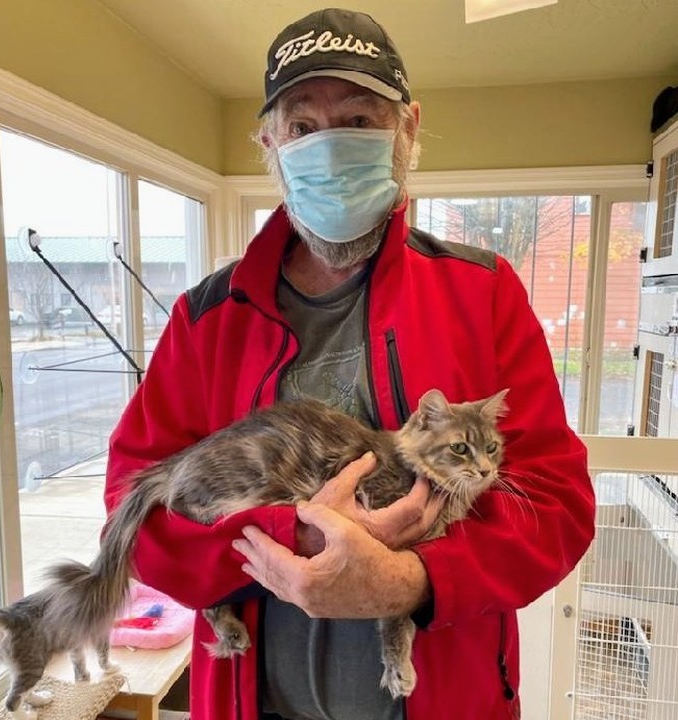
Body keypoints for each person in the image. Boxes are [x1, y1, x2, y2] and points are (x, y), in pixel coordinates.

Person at [104, 8, 595, 720]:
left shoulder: (482, 292)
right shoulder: (205, 318)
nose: (330, 147)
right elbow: (136, 514)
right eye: (303, 127)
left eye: (361, 121)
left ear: (409, 129)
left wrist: (414, 578)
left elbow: (558, 506)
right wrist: (290, 536)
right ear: (269, 142)